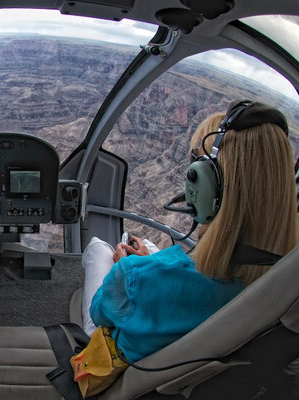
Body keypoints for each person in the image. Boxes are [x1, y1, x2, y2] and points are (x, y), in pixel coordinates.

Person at [81, 101, 298, 363]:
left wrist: (125, 269)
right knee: (150, 246)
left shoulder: (138, 278)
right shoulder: (285, 286)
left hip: (120, 359)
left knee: (98, 248)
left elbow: (99, 312)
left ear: (209, 184)